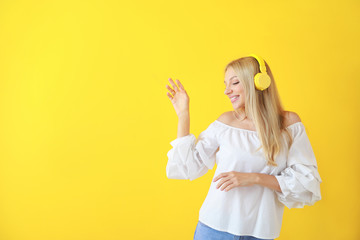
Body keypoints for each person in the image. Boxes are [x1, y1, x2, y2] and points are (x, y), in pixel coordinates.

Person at [165, 54, 322, 240]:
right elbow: (186, 167)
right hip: (213, 229)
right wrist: (183, 114)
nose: (227, 91)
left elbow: (306, 182)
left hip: (260, 232)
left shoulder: (289, 125)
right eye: (225, 84)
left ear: (259, 82)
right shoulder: (225, 123)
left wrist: (254, 178)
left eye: (234, 83)